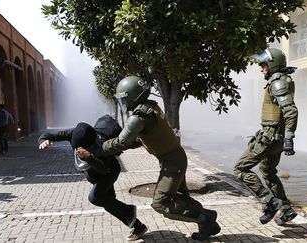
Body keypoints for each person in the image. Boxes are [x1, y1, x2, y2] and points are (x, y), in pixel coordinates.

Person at [90, 76, 221, 241]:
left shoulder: (138, 117)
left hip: (173, 161)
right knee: (180, 196)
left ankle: (206, 218)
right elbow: (142, 139)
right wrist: (124, 145)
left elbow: (122, 141)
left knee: (161, 203)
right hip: (175, 157)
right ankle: (208, 224)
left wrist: (98, 149)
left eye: (124, 98)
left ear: (132, 96)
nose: (123, 102)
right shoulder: (150, 107)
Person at [38, 115, 148, 241]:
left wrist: (89, 157)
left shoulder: (101, 146)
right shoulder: (74, 133)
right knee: (108, 202)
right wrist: (43, 141)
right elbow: (49, 134)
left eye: (81, 148)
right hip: (95, 176)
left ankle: (129, 210)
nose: (77, 150)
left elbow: (103, 168)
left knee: (95, 198)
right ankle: (138, 226)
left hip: (109, 172)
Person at [233, 48, 299, 226]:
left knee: (240, 170)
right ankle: (285, 210)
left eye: (263, 65)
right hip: (275, 138)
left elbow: (291, 110)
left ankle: (270, 202)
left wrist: (289, 138)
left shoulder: (277, 83)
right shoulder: (279, 80)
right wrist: (285, 138)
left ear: (272, 64)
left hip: (269, 137)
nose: (261, 69)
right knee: (268, 171)